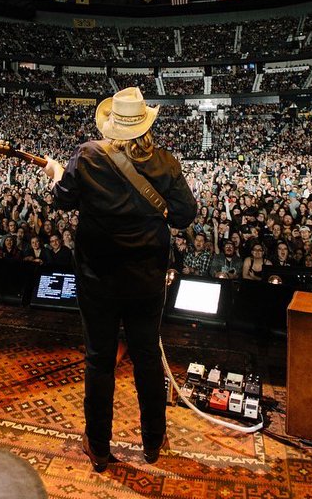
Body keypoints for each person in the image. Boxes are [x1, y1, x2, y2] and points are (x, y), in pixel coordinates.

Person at [44, 87, 197, 470]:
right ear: (145, 123)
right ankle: (153, 441)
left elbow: (62, 199)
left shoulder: (88, 156)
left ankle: (97, 446)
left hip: (98, 279)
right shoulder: (165, 163)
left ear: (112, 123)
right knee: (147, 357)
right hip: (146, 279)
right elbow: (183, 215)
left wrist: (54, 174)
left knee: (99, 360)